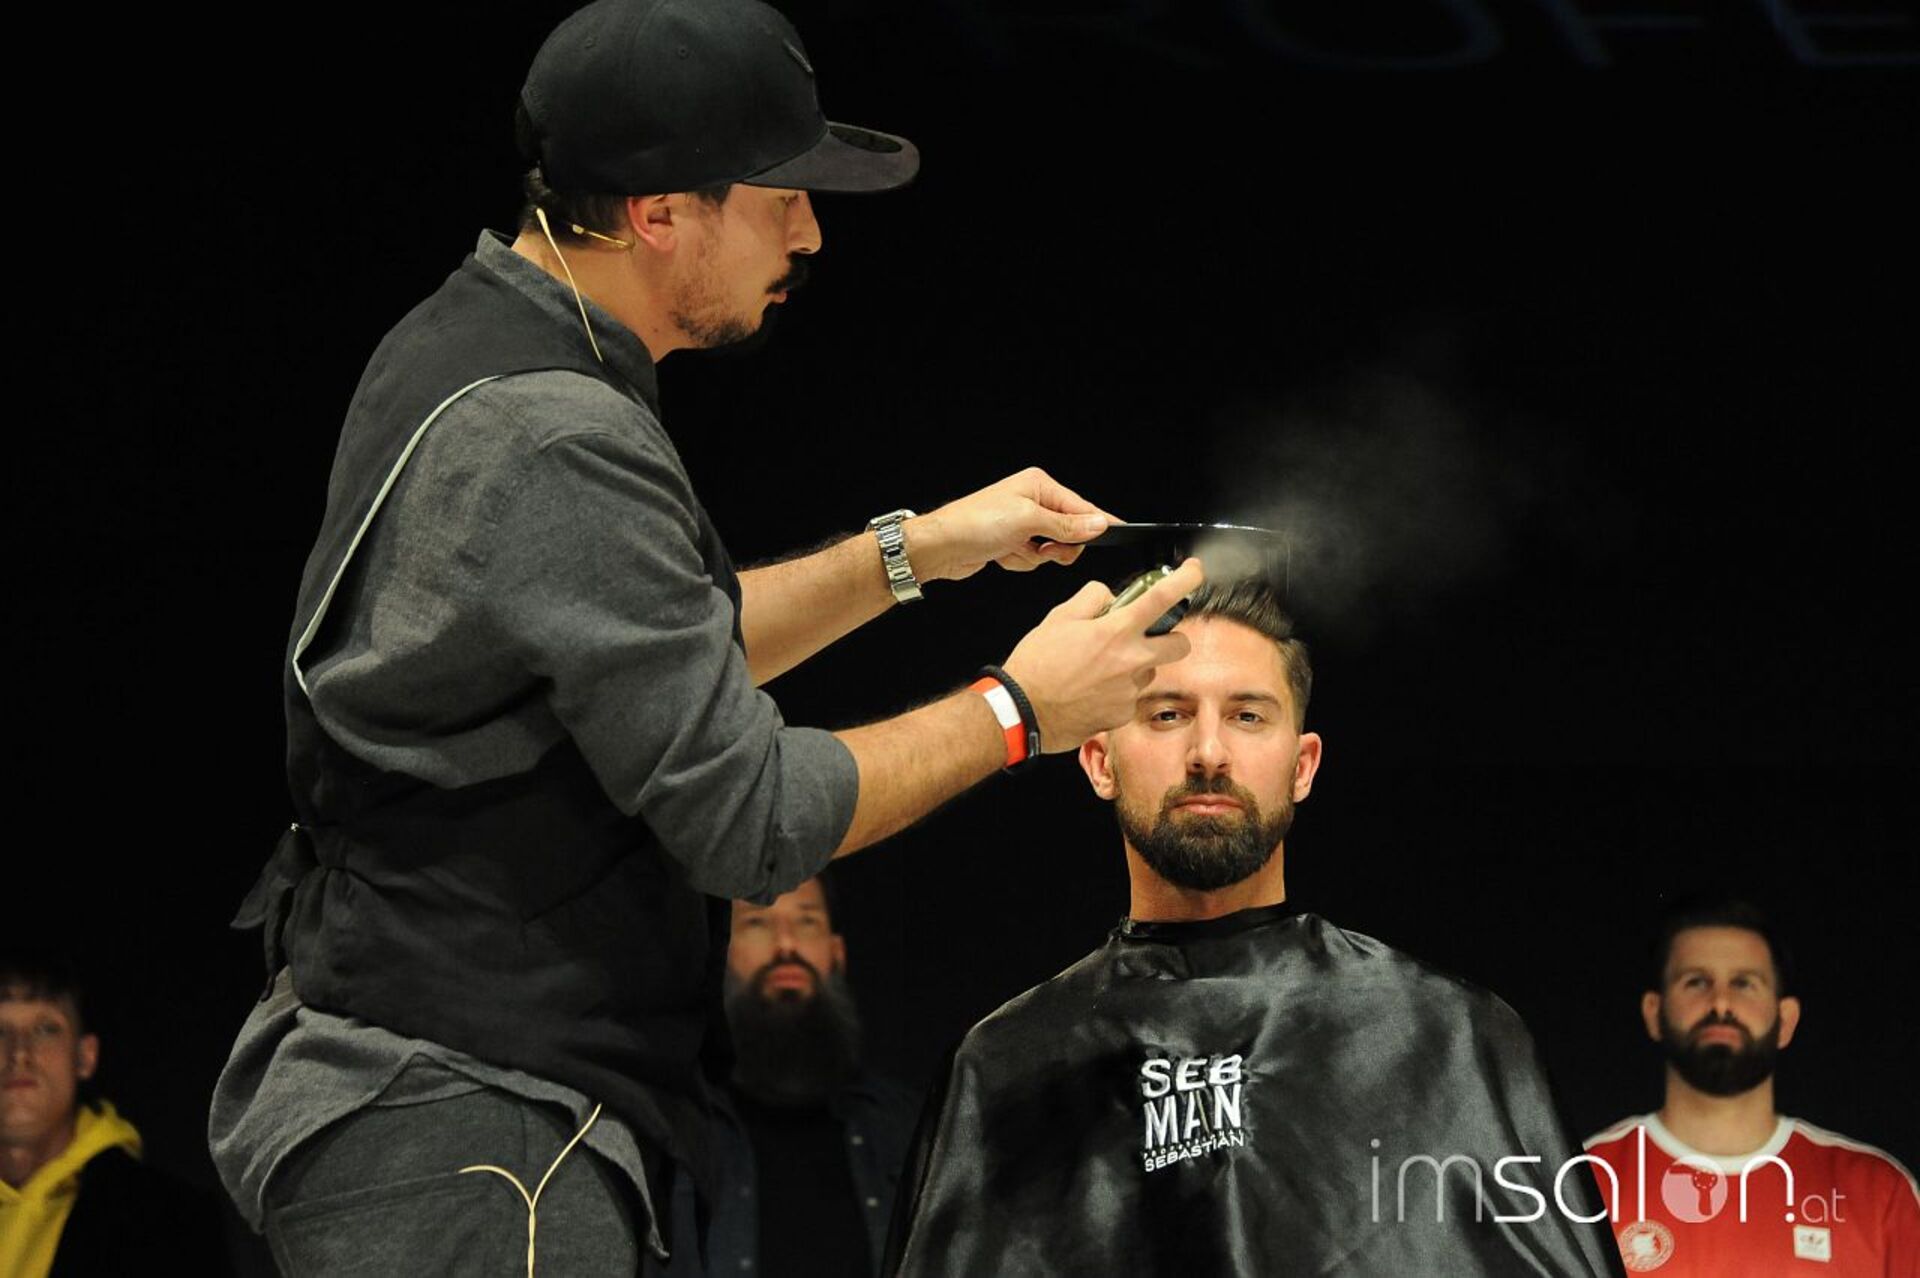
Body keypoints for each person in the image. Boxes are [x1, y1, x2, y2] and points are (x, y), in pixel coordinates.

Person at [208, 0, 1203, 1272]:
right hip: (468, 1121)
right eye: (780, 197)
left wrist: (920, 550)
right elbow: (750, 820)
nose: (813, 232)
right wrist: (1021, 711)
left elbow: (660, 644)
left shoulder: (476, 338)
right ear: (660, 213)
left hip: (435, 1104)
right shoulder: (557, 432)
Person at [885, 580, 1623, 1276]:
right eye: (1167, 714)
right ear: (1099, 761)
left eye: (1247, 716)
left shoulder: (1447, 1036)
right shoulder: (1006, 1068)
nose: (1208, 753)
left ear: (1303, 766)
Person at [1582, 898, 1919, 1275]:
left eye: (1744, 983)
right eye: (1696, 982)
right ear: (1654, 1012)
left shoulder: (1879, 1194)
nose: (1721, 1002)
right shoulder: (1584, 1182)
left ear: (1785, 1020)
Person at [663, 874, 919, 1278]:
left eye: (807, 921)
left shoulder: (906, 1132)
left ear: (837, 953)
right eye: (757, 922)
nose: (786, 944)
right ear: (720, 950)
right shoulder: (676, 1136)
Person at [1, 951, 230, 1278]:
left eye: (45, 1029)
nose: (19, 1053)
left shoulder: (172, 1221)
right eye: (0, 1031)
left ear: (85, 1056)